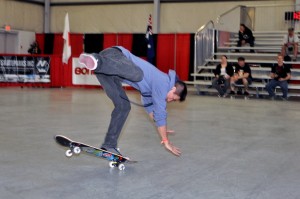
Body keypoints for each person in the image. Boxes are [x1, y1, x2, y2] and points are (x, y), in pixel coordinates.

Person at [78, 46, 187, 156]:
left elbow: (151, 110)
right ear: (173, 89)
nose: (169, 100)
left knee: (123, 106)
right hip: (116, 56)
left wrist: (162, 128)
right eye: (172, 98)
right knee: (138, 75)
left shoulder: (150, 91)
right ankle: (96, 59)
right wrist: (166, 141)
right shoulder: (163, 83)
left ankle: (109, 145)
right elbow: (160, 114)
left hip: (107, 71)